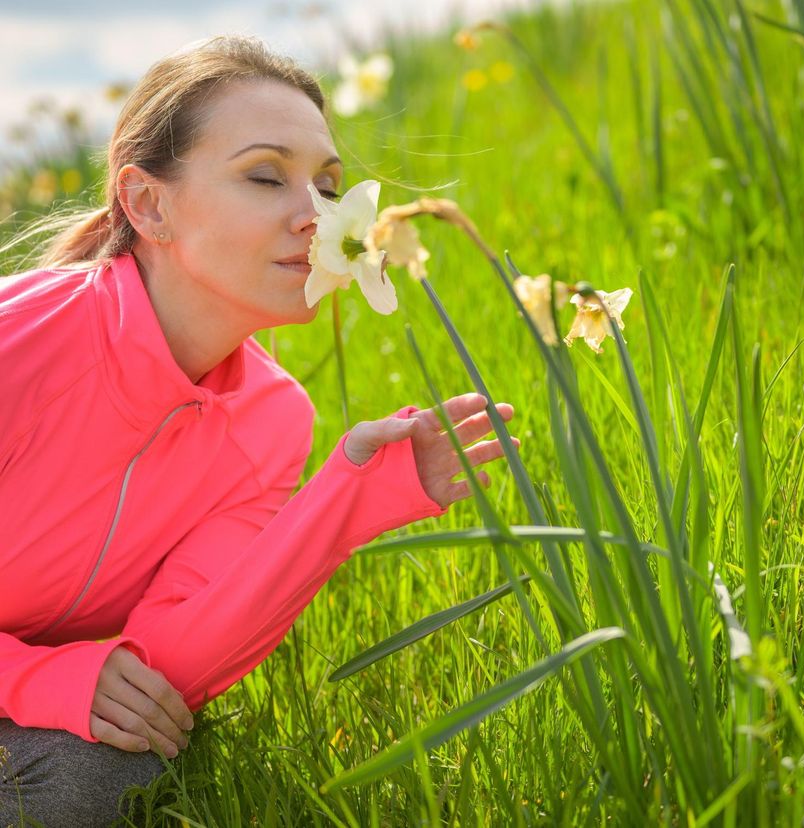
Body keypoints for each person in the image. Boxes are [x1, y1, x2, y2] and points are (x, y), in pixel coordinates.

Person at [0, 35, 518, 826]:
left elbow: (169, 670)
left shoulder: (278, 423)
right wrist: (35, 679)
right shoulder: (25, 342)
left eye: (330, 186)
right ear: (148, 204)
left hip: (36, 699)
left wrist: (348, 500)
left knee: (105, 769)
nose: (317, 217)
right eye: (266, 177)